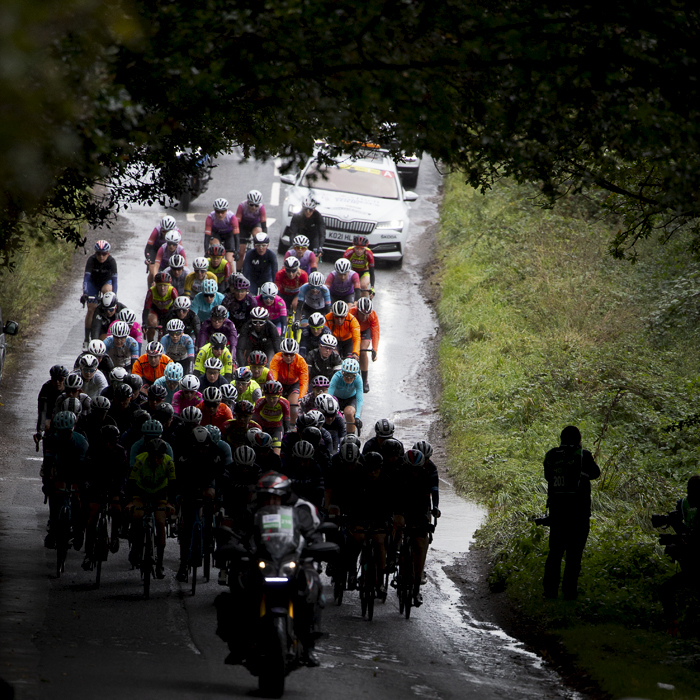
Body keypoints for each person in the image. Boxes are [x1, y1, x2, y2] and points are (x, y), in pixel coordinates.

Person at [542, 426, 600, 600]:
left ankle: (549, 592)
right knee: (574, 555)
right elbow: (595, 473)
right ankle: (569, 593)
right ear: (579, 439)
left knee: (555, 553)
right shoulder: (583, 455)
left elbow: (547, 476)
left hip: (557, 513)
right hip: (578, 514)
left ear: (561, 438)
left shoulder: (552, 455)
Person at [174, 426, 221, 581]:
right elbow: (180, 477)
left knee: (212, 507)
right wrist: (181, 495)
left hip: (208, 482)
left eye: (204, 448)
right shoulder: (185, 453)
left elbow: (220, 475)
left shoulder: (214, 451)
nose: (201, 451)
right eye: (198, 448)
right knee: (187, 526)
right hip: (190, 484)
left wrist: (215, 494)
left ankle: (208, 539)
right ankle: (183, 565)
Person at [127, 437, 177, 579]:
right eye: (153, 457)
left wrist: (170, 503)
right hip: (141, 492)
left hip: (160, 493)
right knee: (137, 515)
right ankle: (136, 546)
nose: (156, 460)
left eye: (159, 457)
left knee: (160, 522)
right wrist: (130, 502)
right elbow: (131, 483)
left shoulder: (168, 462)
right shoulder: (140, 461)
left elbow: (173, 485)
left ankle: (159, 563)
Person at [656, 476, 700, 635]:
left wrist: (680, 541)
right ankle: (673, 627)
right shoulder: (685, 506)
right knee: (666, 589)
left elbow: (692, 540)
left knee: (666, 589)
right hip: (692, 563)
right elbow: (687, 536)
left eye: (692, 493)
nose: (689, 497)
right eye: (689, 492)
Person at [41, 411, 89, 549]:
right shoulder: (52, 440)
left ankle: (79, 529)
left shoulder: (81, 442)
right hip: (60, 469)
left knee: (78, 498)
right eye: (60, 433)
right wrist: (47, 483)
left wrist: (81, 486)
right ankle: (53, 528)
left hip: (77, 469)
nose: (64, 436)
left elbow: (83, 469)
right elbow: (48, 464)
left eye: (67, 433)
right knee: (55, 495)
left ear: (72, 430)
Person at [81, 240, 118, 348]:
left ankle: (107, 324)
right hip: (93, 284)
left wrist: (113, 296)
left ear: (108, 254)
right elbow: (86, 279)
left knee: (108, 291)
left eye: (104, 254)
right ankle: (87, 338)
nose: (101, 256)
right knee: (91, 308)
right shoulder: (91, 260)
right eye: (98, 254)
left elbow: (115, 281)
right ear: (95, 253)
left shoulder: (111, 261)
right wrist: (85, 293)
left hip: (105, 283)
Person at [269, 338, 309, 424]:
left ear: (295, 354)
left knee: (294, 405)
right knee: (275, 401)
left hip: (293, 384)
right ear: (282, 353)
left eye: (291, 354)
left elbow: (304, 381)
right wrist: (273, 390)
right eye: (286, 354)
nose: (289, 357)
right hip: (279, 383)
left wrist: (301, 398)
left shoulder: (301, 361)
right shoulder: (276, 358)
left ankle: (292, 426)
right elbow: (273, 376)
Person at [348, 297, 380, 393]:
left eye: (367, 315)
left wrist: (375, 349)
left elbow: (375, 333)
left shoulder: (373, 315)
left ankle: (365, 380)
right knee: (352, 350)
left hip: (365, 331)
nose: (365, 317)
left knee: (362, 350)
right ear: (357, 311)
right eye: (362, 314)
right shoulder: (351, 312)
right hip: (352, 330)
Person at [34, 365, 69, 446]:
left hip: (66, 416)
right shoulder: (46, 387)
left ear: (65, 379)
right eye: (54, 379)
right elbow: (42, 410)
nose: (57, 382)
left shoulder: (69, 388)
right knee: (47, 426)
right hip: (51, 416)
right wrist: (39, 431)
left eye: (60, 379)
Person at [252, 380, 291, 454]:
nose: (271, 400)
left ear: (279, 395)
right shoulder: (260, 401)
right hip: (262, 427)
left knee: (276, 453)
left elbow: (286, 421)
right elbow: (254, 419)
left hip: (276, 429)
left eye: (274, 397)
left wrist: (286, 436)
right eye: (268, 397)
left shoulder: (285, 403)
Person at [328, 358, 363, 435]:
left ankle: (350, 436)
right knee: (333, 414)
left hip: (350, 399)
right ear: (342, 372)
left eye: (352, 376)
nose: (348, 378)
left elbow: (359, 399)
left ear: (356, 375)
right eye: (346, 375)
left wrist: (357, 417)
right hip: (337, 398)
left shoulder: (358, 379)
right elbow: (329, 395)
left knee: (349, 413)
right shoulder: (337, 376)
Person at [205, 198, 239, 271]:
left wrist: (237, 251)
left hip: (228, 235)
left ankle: (233, 277)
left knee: (229, 260)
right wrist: (206, 252)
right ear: (214, 211)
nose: (220, 214)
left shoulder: (232, 217)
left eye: (223, 212)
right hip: (216, 234)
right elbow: (207, 237)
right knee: (216, 250)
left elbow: (236, 236)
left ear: (227, 210)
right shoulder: (210, 217)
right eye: (218, 212)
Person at [143, 271, 179, 341]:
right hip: (155, 310)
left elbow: (177, 307)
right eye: (160, 285)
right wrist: (144, 323)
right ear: (155, 285)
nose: (162, 288)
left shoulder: (172, 290)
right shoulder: (151, 291)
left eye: (165, 285)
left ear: (169, 285)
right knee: (151, 323)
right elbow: (146, 309)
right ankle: (150, 343)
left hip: (168, 311)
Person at [145, 215, 179, 287]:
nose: (166, 234)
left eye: (168, 231)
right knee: (152, 271)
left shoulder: (177, 232)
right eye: (164, 231)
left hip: (169, 251)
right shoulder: (157, 230)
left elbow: (180, 248)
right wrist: (148, 257)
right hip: (156, 250)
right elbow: (148, 247)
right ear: (161, 229)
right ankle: (150, 290)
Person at [235, 189, 267, 263]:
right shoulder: (242, 206)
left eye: (256, 205)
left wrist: (264, 239)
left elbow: (264, 226)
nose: (254, 207)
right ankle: (239, 272)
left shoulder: (261, 208)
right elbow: (237, 224)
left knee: (258, 235)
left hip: (255, 224)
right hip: (243, 225)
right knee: (241, 253)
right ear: (247, 202)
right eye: (251, 204)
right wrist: (237, 237)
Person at [275, 256, 308, 321]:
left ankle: (297, 321)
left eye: (293, 271)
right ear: (285, 269)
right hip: (283, 294)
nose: (291, 274)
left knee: (296, 304)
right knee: (284, 314)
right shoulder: (280, 274)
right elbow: (276, 290)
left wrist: (297, 298)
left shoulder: (303, 275)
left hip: (297, 294)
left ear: (297, 269)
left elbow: (306, 290)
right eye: (288, 270)